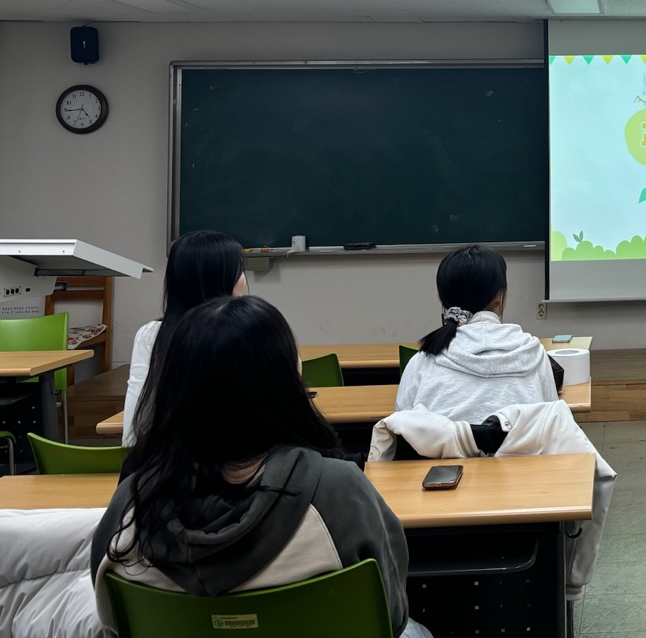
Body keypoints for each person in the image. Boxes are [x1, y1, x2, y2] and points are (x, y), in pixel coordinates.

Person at [92, 297, 429, 638]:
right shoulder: (338, 491)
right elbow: (391, 613)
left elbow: (111, 621)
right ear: (285, 379)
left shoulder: (130, 506)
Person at [395, 244, 560, 420]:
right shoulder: (534, 353)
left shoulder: (422, 361)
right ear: (499, 297)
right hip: (520, 440)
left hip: (443, 440)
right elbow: (553, 422)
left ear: (444, 299)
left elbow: (401, 424)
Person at [123, 230, 246, 446]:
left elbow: (134, 424)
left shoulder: (151, 334)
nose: (244, 279)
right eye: (240, 271)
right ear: (220, 279)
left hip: (162, 461)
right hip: (230, 460)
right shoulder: (246, 331)